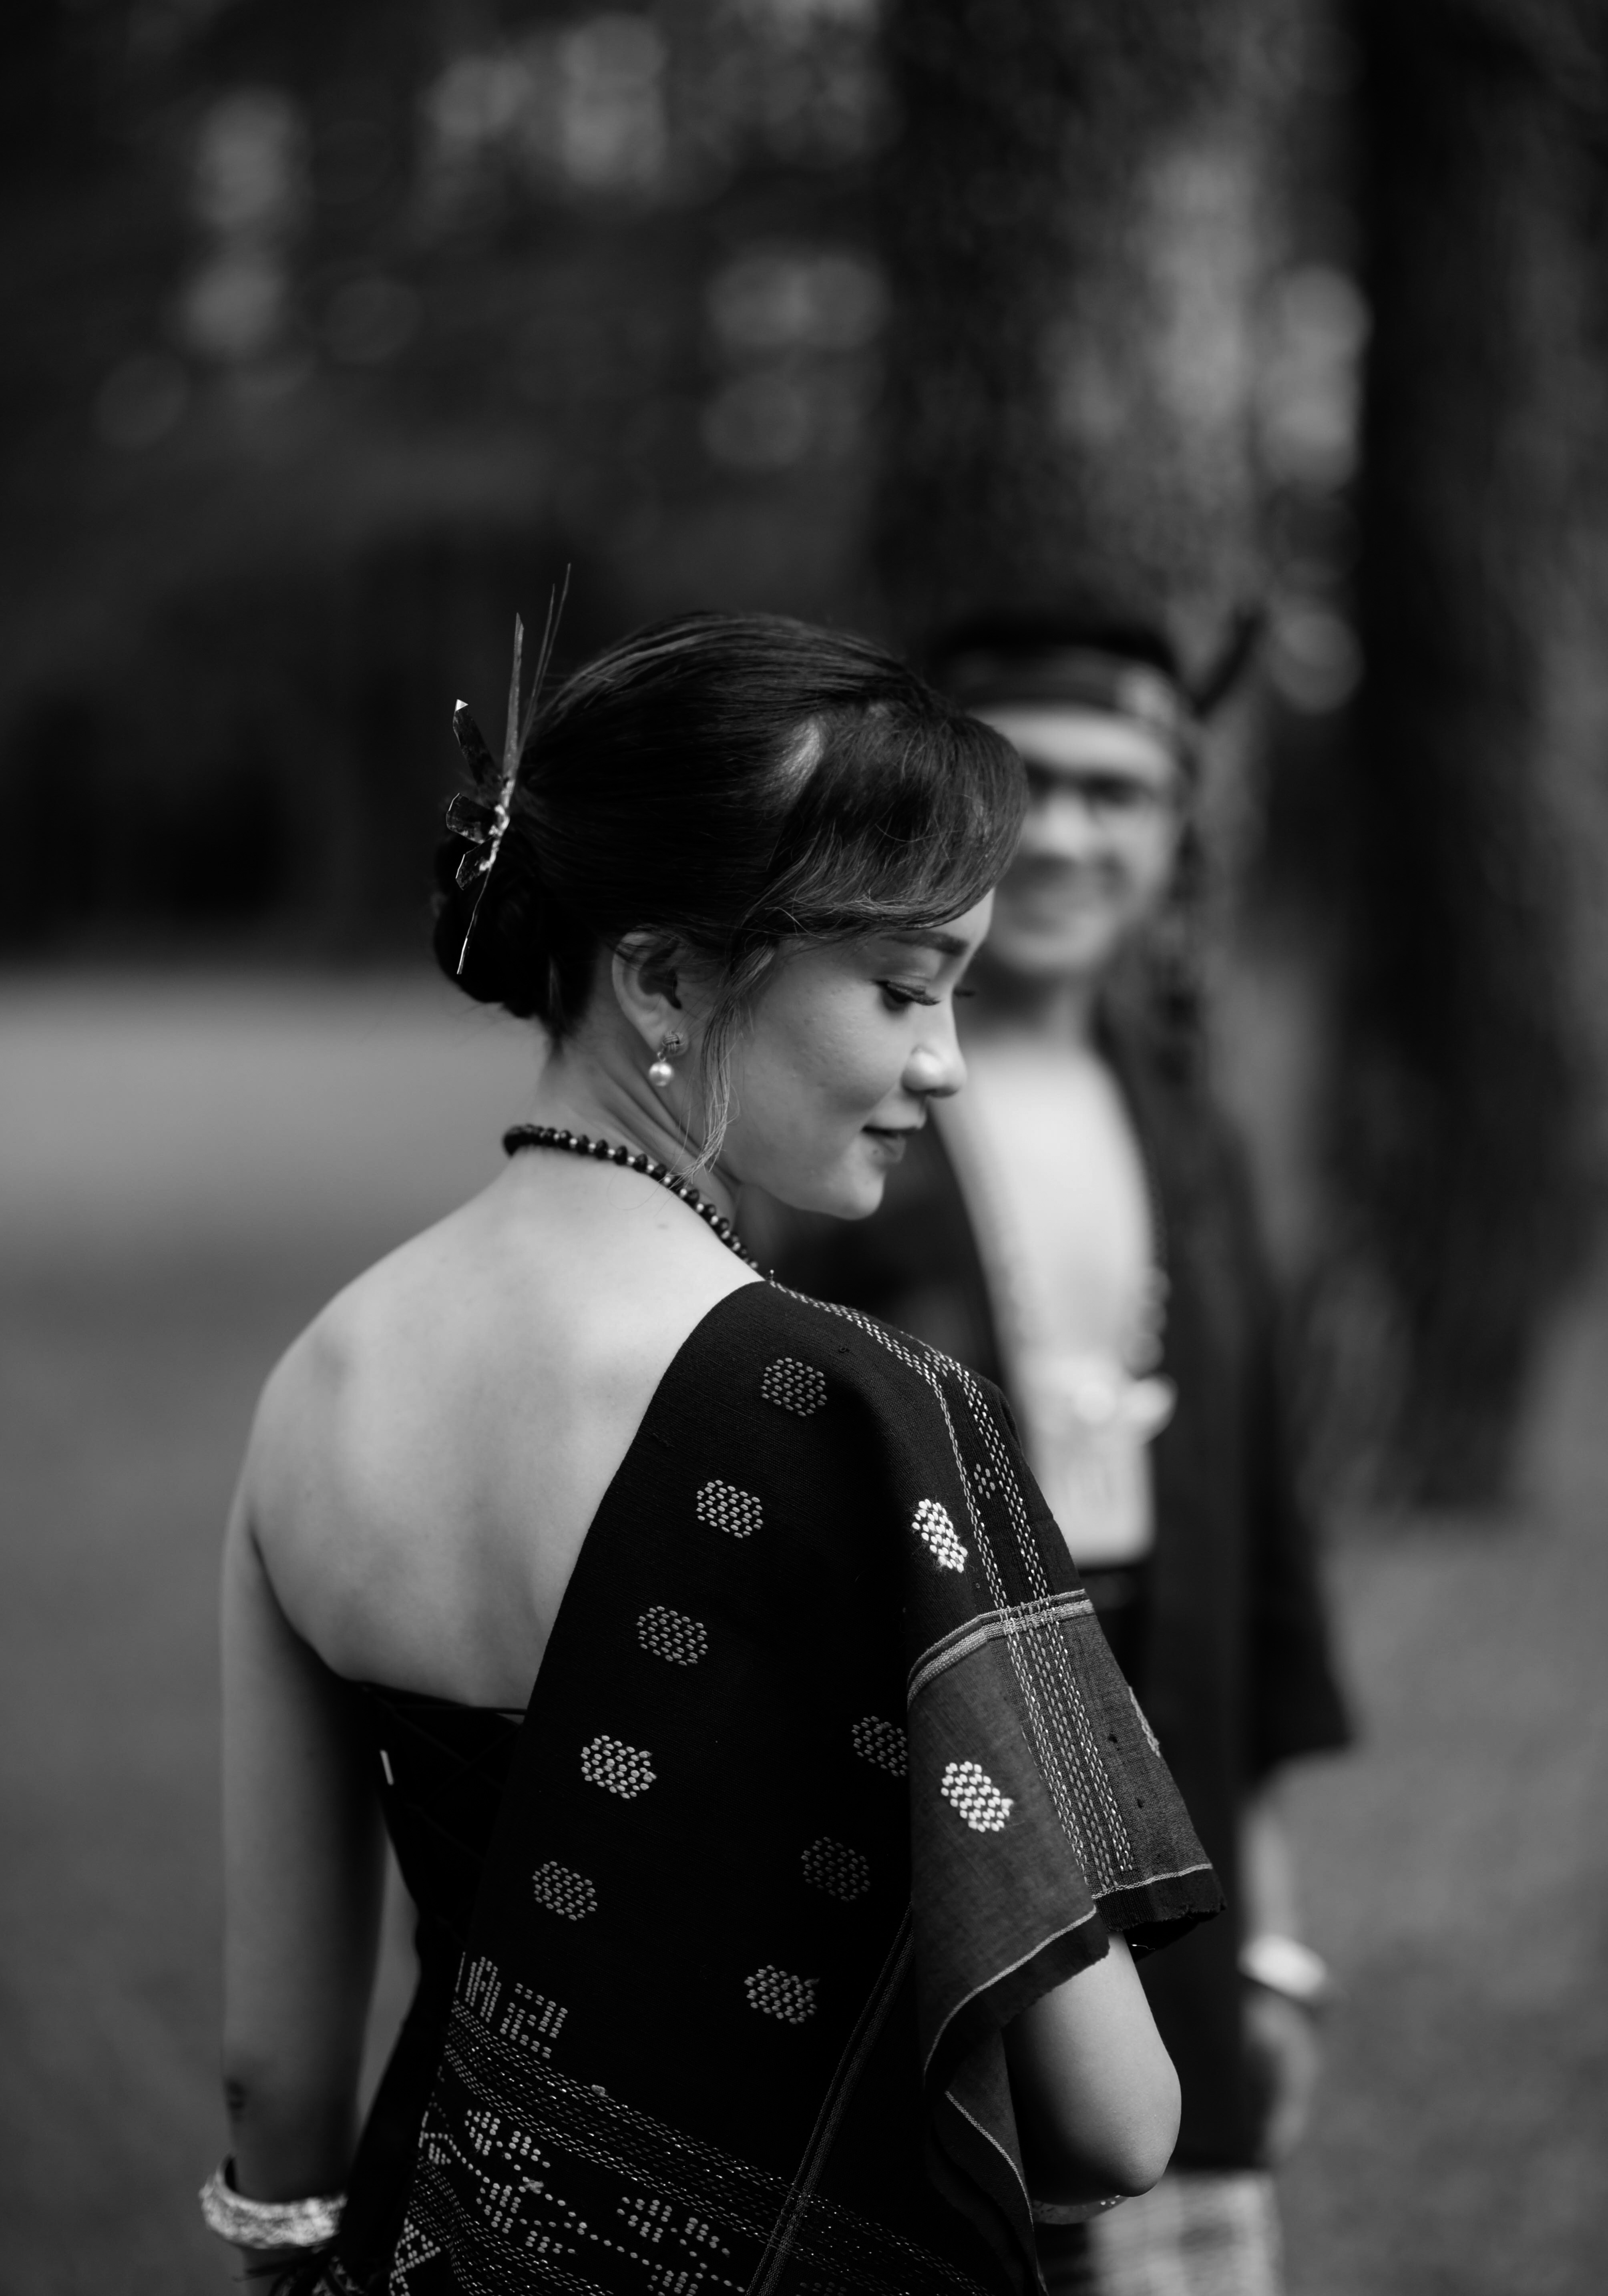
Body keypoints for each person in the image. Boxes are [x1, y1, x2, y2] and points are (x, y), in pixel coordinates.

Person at [207, 612, 1224, 2296]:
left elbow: (274, 2081)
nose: (942, 1065)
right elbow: (1113, 2125)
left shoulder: (319, 1380)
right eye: (901, 988)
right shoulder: (860, 1415)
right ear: (664, 971)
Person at [749, 611, 1352, 2296]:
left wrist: (1271, 1945)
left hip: (1163, 1770)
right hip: (917, 1794)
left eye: (1124, 792)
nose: (1077, 837)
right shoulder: (838, 1121)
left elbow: (1253, 1551)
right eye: (1032, 790)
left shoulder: (1188, 1115)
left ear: (1180, 823)